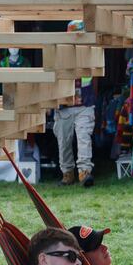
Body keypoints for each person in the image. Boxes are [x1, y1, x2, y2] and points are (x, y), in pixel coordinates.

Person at [53, 20, 97, 187]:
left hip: (84, 106)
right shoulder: (59, 54)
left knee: (84, 138)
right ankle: (67, 174)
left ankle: (84, 173)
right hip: (64, 107)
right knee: (63, 142)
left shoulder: (91, 53)